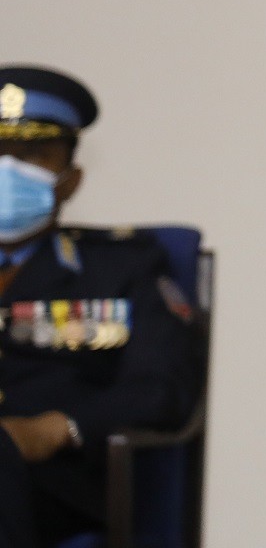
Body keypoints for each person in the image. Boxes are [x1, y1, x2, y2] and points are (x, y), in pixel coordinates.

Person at [0, 66, 203, 548]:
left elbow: (161, 388)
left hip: (52, 482)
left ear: (70, 180)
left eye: (32, 155)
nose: (8, 171)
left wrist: (58, 428)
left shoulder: (122, 266)